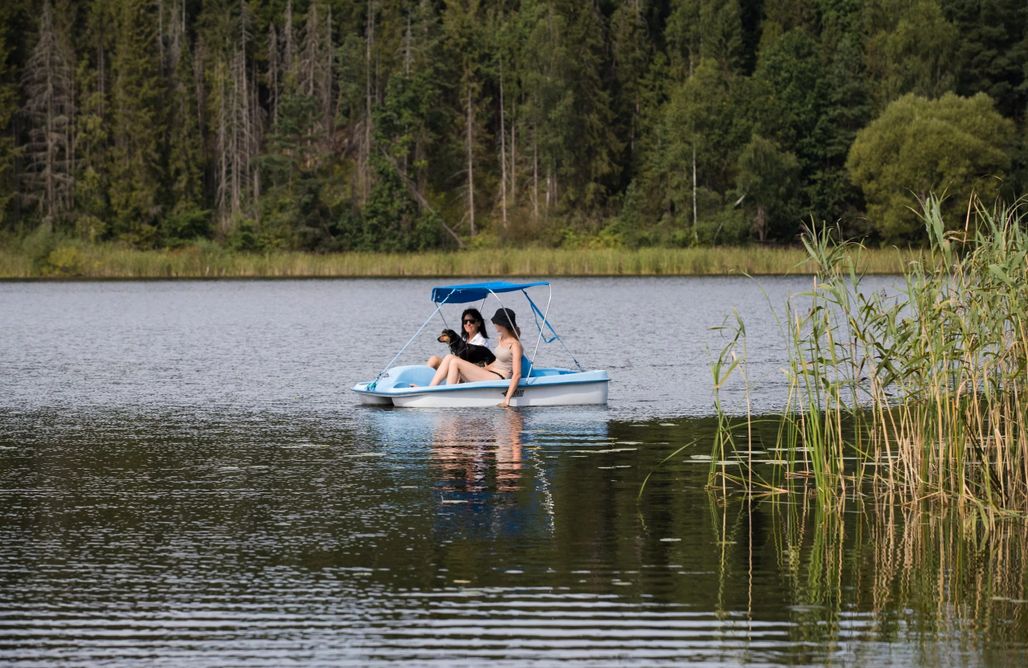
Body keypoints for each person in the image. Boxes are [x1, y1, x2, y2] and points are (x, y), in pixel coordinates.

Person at [431, 307, 523, 408]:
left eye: (496, 322)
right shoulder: (501, 338)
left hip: (499, 377)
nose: (494, 324)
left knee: (455, 362)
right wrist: (481, 369)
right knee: (449, 357)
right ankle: (431, 389)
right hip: (490, 372)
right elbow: (497, 361)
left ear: (503, 323)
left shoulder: (515, 345)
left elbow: (517, 374)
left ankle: (447, 397)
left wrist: (507, 400)